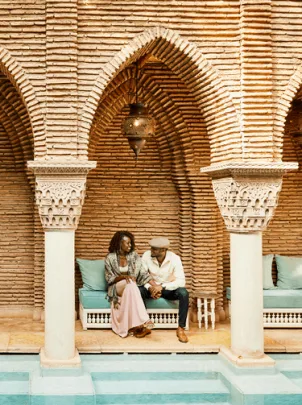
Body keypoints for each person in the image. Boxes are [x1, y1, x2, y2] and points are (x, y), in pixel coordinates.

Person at [105, 231, 154, 338]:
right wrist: (123, 277)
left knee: (131, 284)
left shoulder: (134, 256)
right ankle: (144, 319)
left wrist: (154, 286)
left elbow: (143, 273)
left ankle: (137, 326)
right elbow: (109, 279)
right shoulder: (110, 257)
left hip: (130, 286)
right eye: (127, 243)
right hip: (116, 286)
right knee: (131, 283)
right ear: (119, 243)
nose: (130, 245)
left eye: (131, 243)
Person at [140, 237, 189, 343]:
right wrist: (151, 288)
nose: (151, 250)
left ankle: (180, 328)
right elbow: (142, 276)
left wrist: (161, 287)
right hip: (151, 288)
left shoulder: (175, 259)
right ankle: (145, 325)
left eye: (154, 249)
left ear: (163, 250)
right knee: (138, 290)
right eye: (151, 248)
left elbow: (181, 281)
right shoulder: (146, 255)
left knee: (184, 293)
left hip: (167, 289)